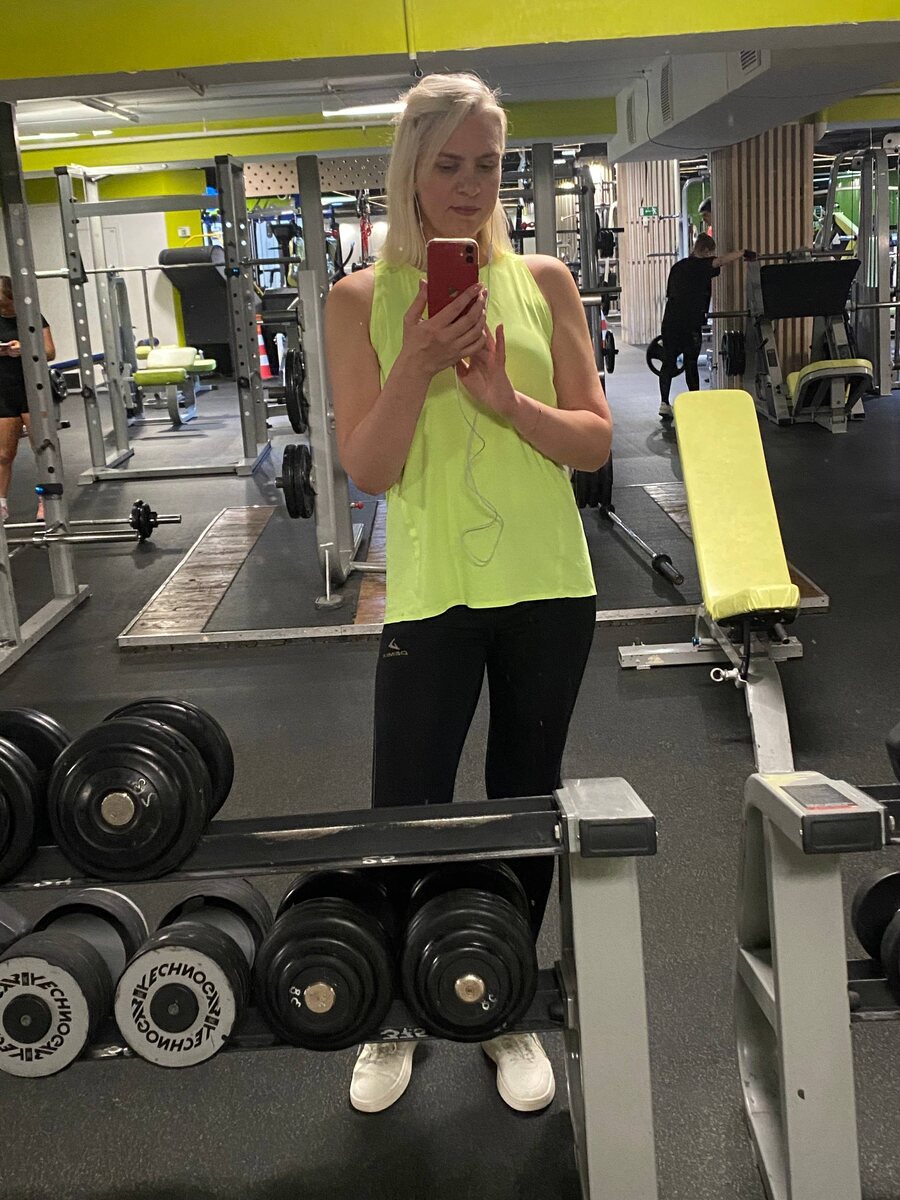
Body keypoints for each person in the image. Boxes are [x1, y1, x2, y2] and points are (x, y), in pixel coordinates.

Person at [325, 73, 611, 1116]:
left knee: (524, 797)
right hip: (434, 590)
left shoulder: (545, 280)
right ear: (410, 168)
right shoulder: (359, 299)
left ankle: (499, 999)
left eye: (486, 164)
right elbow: (370, 467)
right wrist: (417, 364)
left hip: (549, 587)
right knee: (407, 803)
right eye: (447, 163)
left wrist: (504, 400)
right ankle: (398, 1010)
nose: (469, 183)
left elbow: (594, 440)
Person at [657, 234, 755, 420]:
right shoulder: (700, 266)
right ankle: (695, 402)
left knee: (668, 362)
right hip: (690, 323)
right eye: (711, 253)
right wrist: (742, 252)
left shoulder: (678, 267)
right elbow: (721, 261)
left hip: (670, 322)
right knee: (690, 363)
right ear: (705, 251)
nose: (712, 256)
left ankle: (664, 403)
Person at [0, 275, 54, 520]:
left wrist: (24, 349)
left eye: (5, 303)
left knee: (42, 447)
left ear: (13, 298)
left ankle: (47, 500)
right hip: (4, 391)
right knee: (3, 454)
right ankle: (1, 505)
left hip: (33, 389)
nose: (3, 308)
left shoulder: (33, 317)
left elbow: (49, 352)